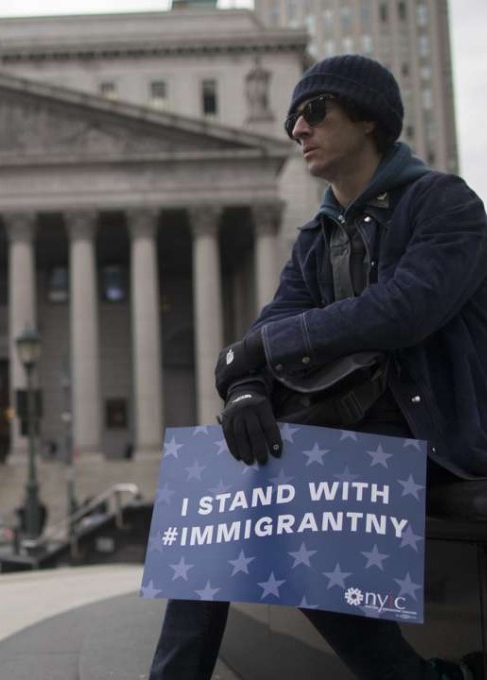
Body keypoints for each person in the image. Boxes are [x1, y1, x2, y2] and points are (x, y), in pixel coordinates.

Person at [148, 54, 487, 680]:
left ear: (367, 121)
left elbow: (405, 309)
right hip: (354, 440)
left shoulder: (444, 205)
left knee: (291, 513)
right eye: (290, 122)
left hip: (436, 435)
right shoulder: (318, 236)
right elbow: (267, 329)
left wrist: (262, 352)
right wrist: (247, 389)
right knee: (209, 496)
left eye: (312, 113)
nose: (297, 130)